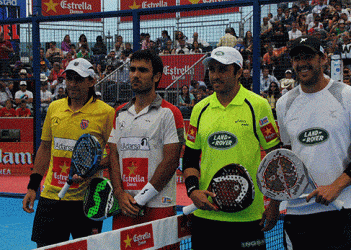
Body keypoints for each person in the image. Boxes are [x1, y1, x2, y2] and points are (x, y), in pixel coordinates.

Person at [269, 35, 351, 249]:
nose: (301, 63)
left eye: (308, 56)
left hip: (342, 210)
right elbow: (286, 158)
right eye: (296, 58)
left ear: (323, 59)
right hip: (297, 213)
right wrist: (274, 204)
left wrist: (335, 187)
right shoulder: (284, 104)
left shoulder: (349, 96)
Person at [182, 46, 280, 249]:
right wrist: (193, 191)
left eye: (222, 70)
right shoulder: (200, 109)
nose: (215, 76)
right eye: (212, 70)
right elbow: (190, 157)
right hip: (206, 216)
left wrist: (275, 205)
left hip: (248, 217)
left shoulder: (258, 106)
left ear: (238, 72)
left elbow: (275, 158)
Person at [22, 58, 115, 248]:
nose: (72, 84)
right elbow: (45, 148)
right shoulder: (54, 108)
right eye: (69, 78)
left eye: (78, 79)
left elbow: (115, 155)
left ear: (91, 81)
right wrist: (32, 187)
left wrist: (92, 168)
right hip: (52, 197)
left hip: (88, 201)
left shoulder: (106, 113)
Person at [108, 50, 185, 234]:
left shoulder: (171, 113)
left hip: (158, 206)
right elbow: (113, 155)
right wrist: (119, 194)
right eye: (132, 69)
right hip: (124, 206)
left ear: (156, 76)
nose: (135, 75)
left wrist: (141, 199)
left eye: (142, 70)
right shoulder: (120, 113)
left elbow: (171, 161)